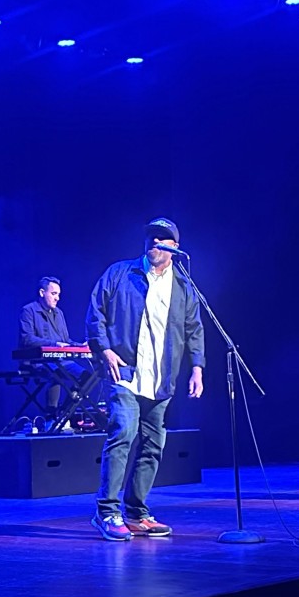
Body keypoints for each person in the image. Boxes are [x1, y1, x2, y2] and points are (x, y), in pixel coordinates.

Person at [85, 217, 205, 540]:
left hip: (161, 378)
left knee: (153, 444)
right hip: (124, 372)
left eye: (162, 238)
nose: (155, 242)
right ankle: (107, 512)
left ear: (175, 248)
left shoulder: (183, 286)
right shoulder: (120, 273)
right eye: (152, 237)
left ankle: (136, 512)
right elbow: (96, 311)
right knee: (123, 431)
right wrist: (104, 349)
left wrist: (197, 367)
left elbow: (194, 329)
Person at [18, 276, 79, 425]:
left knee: (86, 377)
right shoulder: (28, 311)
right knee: (56, 373)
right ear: (42, 292)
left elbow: (65, 341)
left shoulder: (59, 313)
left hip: (59, 361)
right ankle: (51, 418)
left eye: (58, 294)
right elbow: (27, 339)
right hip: (38, 361)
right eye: (53, 294)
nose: (57, 298)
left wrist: (81, 345)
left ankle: (62, 415)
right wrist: (55, 344)